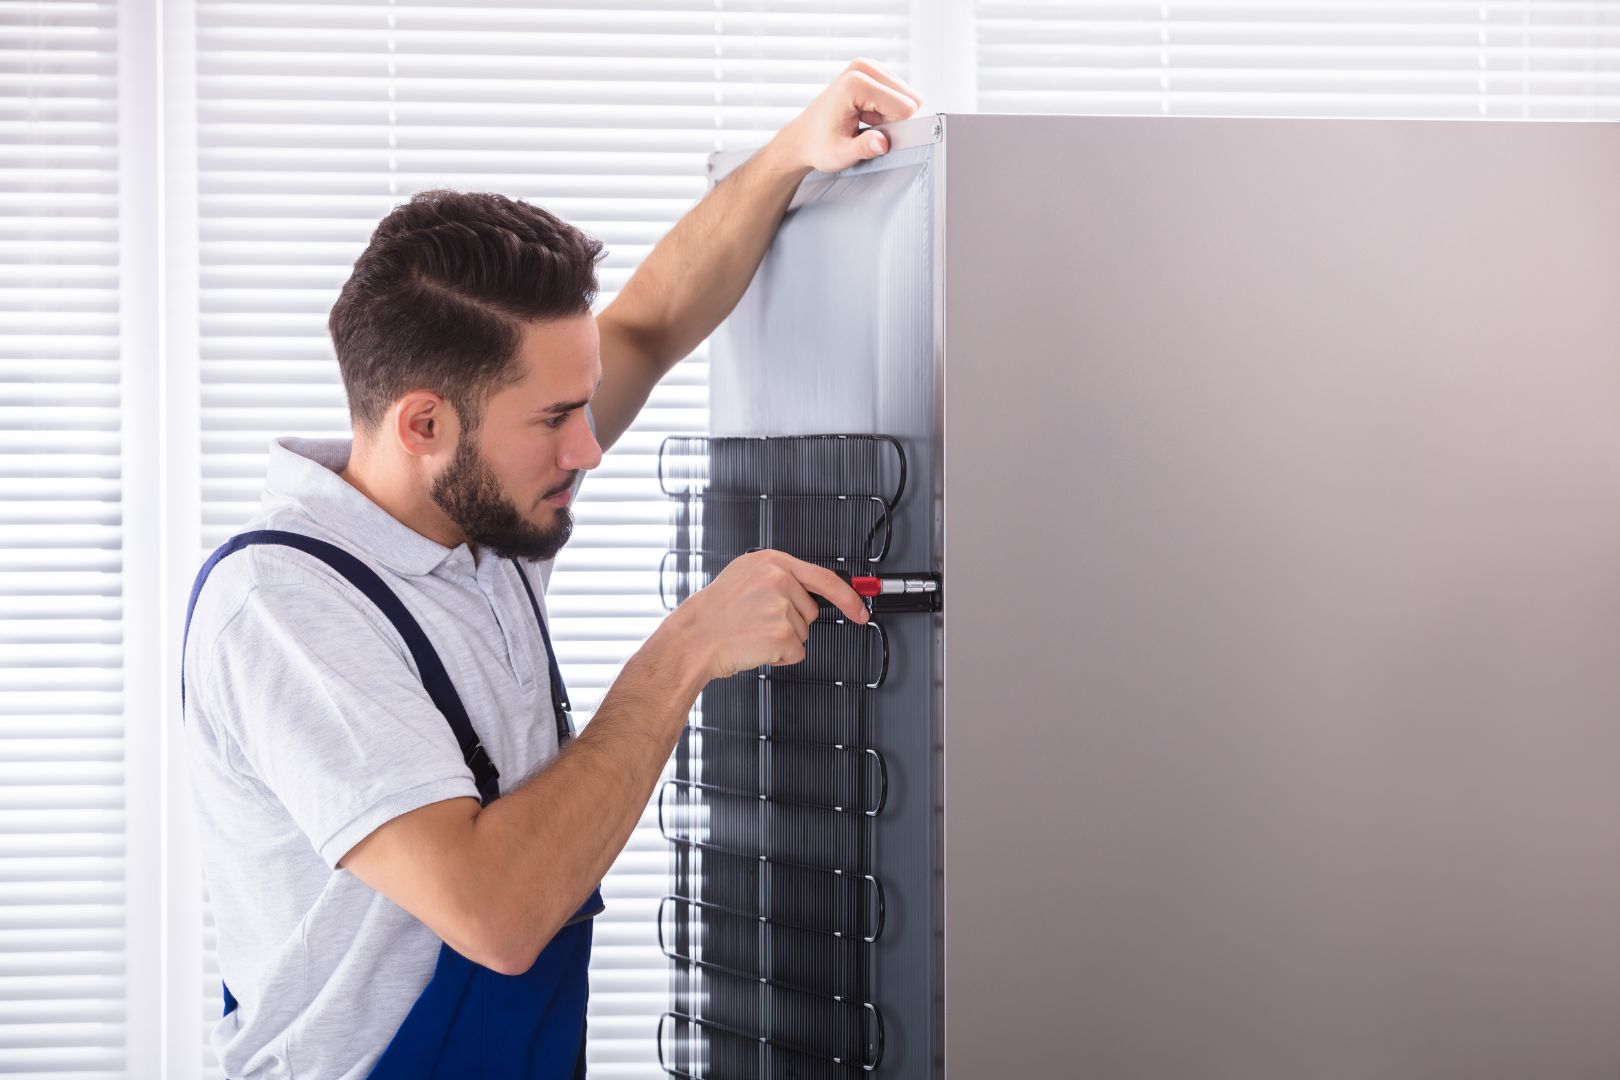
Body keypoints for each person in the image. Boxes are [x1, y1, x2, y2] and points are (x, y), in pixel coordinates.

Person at [180, 59, 921, 1079]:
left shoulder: (475, 520)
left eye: (584, 405)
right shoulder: (283, 607)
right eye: (556, 419)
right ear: (424, 423)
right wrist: (684, 653)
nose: (589, 449)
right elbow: (495, 914)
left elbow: (651, 326)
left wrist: (793, 151)